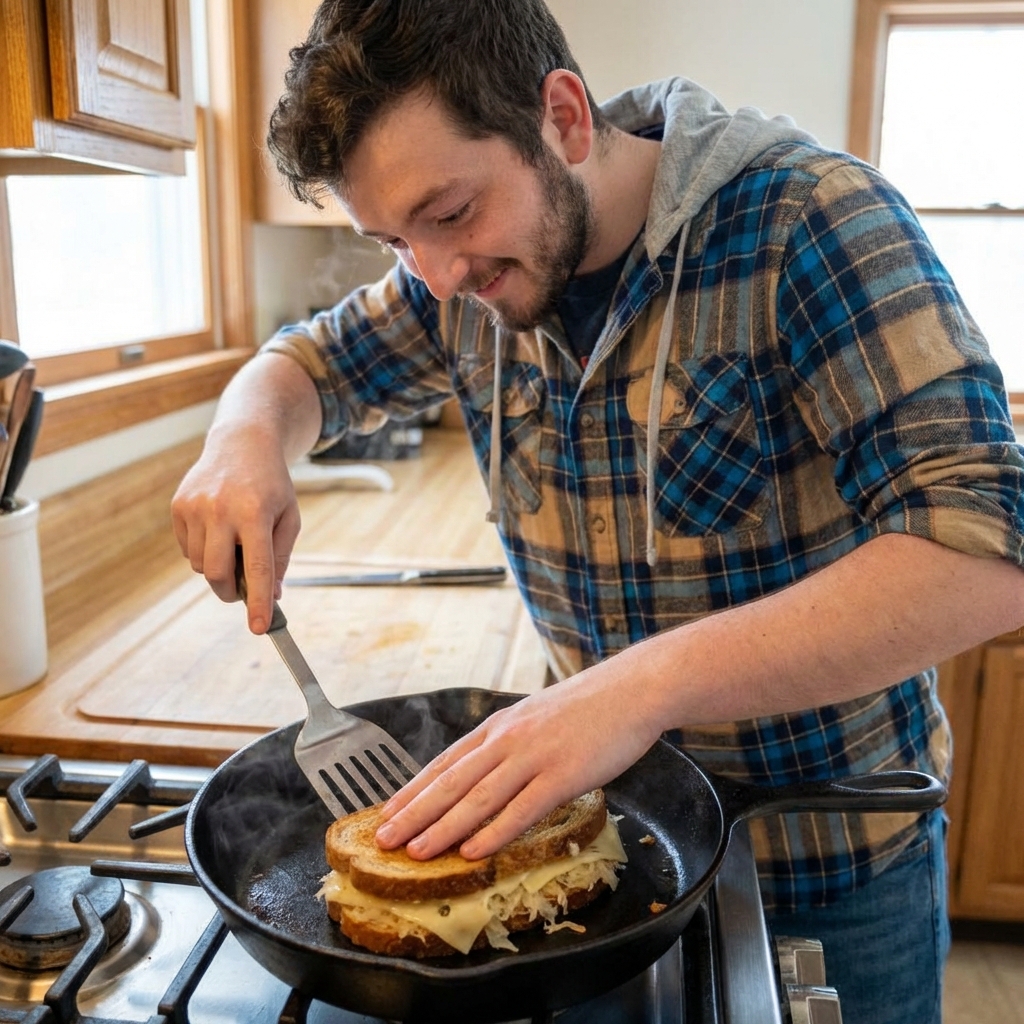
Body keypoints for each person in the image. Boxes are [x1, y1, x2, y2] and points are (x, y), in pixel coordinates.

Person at [171, 1, 1024, 1020]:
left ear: (565, 119)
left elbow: (987, 544)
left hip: (825, 865)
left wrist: (636, 690)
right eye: (393, 240)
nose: (437, 274)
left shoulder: (808, 220)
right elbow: (306, 362)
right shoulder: (454, 276)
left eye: (448, 215)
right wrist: (244, 437)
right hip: (591, 857)